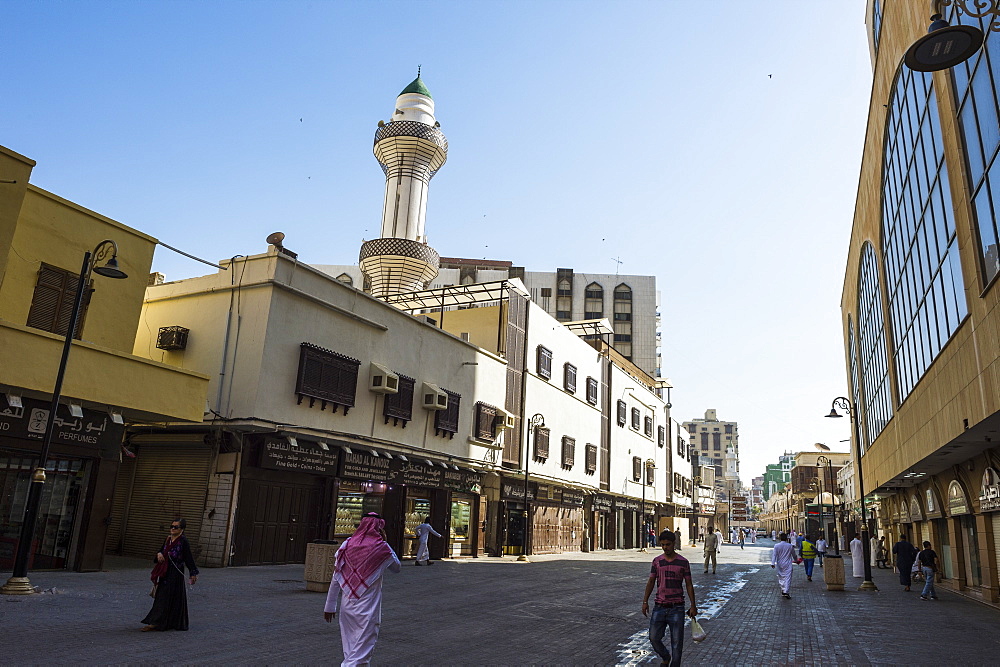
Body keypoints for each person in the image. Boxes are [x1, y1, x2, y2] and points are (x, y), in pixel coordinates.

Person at [324, 513, 401, 667]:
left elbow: (336, 576)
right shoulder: (381, 548)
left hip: (347, 605)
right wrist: (385, 542)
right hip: (368, 607)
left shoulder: (347, 544)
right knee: (361, 652)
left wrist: (330, 606)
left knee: (351, 648)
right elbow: (396, 567)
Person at [642, 530, 698, 666]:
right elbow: (651, 582)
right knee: (654, 637)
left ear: (674, 544)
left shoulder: (683, 563)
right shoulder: (657, 562)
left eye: (668, 544)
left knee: (677, 643)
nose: (665, 547)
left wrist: (693, 605)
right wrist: (645, 601)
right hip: (659, 606)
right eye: (662, 545)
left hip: (677, 608)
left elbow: (689, 584)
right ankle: (665, 656)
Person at [141, 518, 199, 632]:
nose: (172, 529)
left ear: (182, 529)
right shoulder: (168, 539)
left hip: (175, 573)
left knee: (170, 597)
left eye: (175, 527)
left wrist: (193, 573)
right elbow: (161, 551)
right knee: (162, 596)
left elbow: (188, 558)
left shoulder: (183, 541)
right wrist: (159, 554)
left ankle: (158, 622)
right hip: (165, 571)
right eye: (171, 526)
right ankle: (157, 621)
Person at [771, 532, 796, 599]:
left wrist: (773, 563)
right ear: (787, 538)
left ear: (780, 538)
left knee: (781, 576)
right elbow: (794, 555)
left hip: (780, 563)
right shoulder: (790, 546)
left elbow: (774, 555)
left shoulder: (776, 546)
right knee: (788, 577)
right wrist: (796, 560)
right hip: (788, 563)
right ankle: (786, 591)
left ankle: (783, 588)